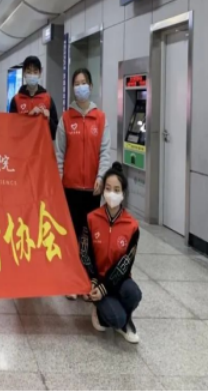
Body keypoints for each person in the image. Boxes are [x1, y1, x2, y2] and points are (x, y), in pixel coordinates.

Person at [56, 68, 112, 272]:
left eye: (83, 83)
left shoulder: (100, 118)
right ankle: (71, 274)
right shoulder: (65, 118)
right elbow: (59, 154)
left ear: (91, 86)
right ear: (73, 88)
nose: (80, 87)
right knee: (71, 233)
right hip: (70, 188)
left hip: (92, 189)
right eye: (77, 84)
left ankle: (87, 274)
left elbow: (105, 152)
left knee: (89, 234)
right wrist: (59, 182)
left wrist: (101, 177)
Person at [81, 163, 142, 344]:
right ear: (103, 190)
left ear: (123, 193)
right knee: (115, 318)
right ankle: (101, 311)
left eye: (116, 190)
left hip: (120, 279)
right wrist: (94, 281)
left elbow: (126, 263)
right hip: (98, 279)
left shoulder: (132, 226)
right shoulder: (91, 218)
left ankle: (126, 319)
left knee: (134, 294)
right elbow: (85, 253)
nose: (111, 194)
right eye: (108, 189)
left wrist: (105, 288)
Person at [9, 56, 59, 139]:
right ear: (24, 73)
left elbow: (55, 134)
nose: (32, 75)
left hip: (42, 146)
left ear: (40, 73)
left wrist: (48, 120)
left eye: (35, 72)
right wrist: (28, 116)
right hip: (23, 146)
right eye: (29, 72)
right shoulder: (16, 100)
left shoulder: (48, 99)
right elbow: (11, 130)